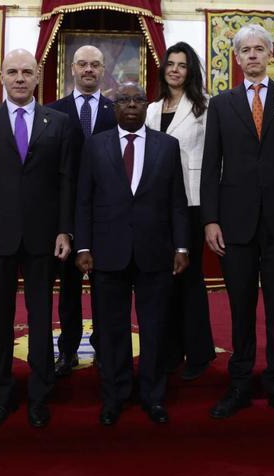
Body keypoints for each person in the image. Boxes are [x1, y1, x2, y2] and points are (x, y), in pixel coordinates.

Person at [200, 24, 274, 423]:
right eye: (245, 51)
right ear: (236, 59)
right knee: (240, 309)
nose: (252, 56)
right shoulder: (222, 104)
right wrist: (210, 219)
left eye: (259, 49)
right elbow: (210, 164)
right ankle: (239, 385)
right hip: (235, 223)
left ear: (270, 54)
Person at [0, 48, 76, 429]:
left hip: (44, 237)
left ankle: (40, 396)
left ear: (38, 76)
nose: (20, 78)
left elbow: (65, 181)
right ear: (2, 77)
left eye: (27, 71)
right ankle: (1, 395)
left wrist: (65, 229)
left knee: (41, 320)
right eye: (13, 71)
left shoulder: (57, 122)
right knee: (0, 319)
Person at [74, 83, 190, 426]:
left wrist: (182, 246)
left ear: (146, 105)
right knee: (112, 330)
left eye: (138, 100)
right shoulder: (95, 146)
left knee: (154, 329)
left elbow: (177, 202)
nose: (130, 105)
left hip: (156, 252)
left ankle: (154, 397)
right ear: (113, 107)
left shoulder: (167, 146)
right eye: (123, 100)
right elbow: (84, 200)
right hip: (107, 253)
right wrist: (83, 246)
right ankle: (115, 395)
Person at [145, 42, 215, 381]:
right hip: (158, 206)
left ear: (191, 71)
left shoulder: (205, 108)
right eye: (170, 64)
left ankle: (200, 353)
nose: (175, 69)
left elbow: (217, 160)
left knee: (190, 279)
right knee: (164, 282)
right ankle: (170, 352)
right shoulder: (151, 110)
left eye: (182, 65)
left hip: (191, 203)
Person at [47, 45, 117, 377]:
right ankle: (68, 351)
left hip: (107, 213)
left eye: (95, 65)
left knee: (105, 287)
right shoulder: (53, 111)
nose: (88, 70)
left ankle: (104, 348)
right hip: (66, 213)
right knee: (69, 288)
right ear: (72, 69)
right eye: (83, 64)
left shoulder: (117, 110)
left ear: (103, 70)